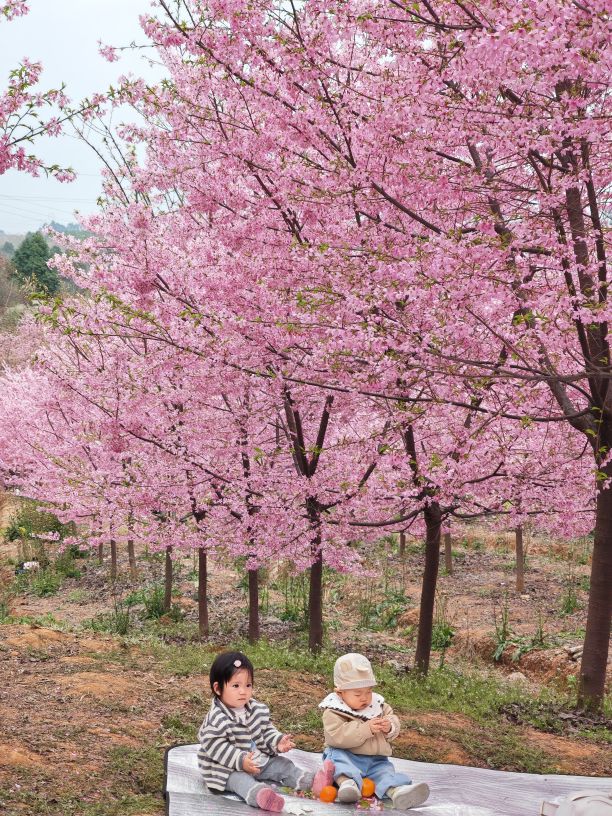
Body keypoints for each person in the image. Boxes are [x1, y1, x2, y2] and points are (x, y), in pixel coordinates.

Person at [197, 650, 334, 812]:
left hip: (257, 761)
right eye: (235, 686)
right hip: (226, 768)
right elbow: (216, 746)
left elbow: (266, 729)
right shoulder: (216, 719)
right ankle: (260, 795)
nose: (243, 691)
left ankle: (311, 782)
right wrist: (241, 761)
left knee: (283, 765)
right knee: (240, 781)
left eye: (248, 685)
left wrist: (277, 741)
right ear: (218, 688)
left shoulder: (255, 709)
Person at [319, 652, 430, 810]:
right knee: (339, 762)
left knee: (384, 772)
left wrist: (389, 726)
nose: (364, 698)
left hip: (375, 760)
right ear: (340, 692)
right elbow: (335, 736)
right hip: (347, 754)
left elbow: (392, 717)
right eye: (358, 694)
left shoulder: (378, 706)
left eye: (368, 691)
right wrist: (366, 729)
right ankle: (347, 785)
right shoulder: (333, 710)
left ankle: (398, 792)